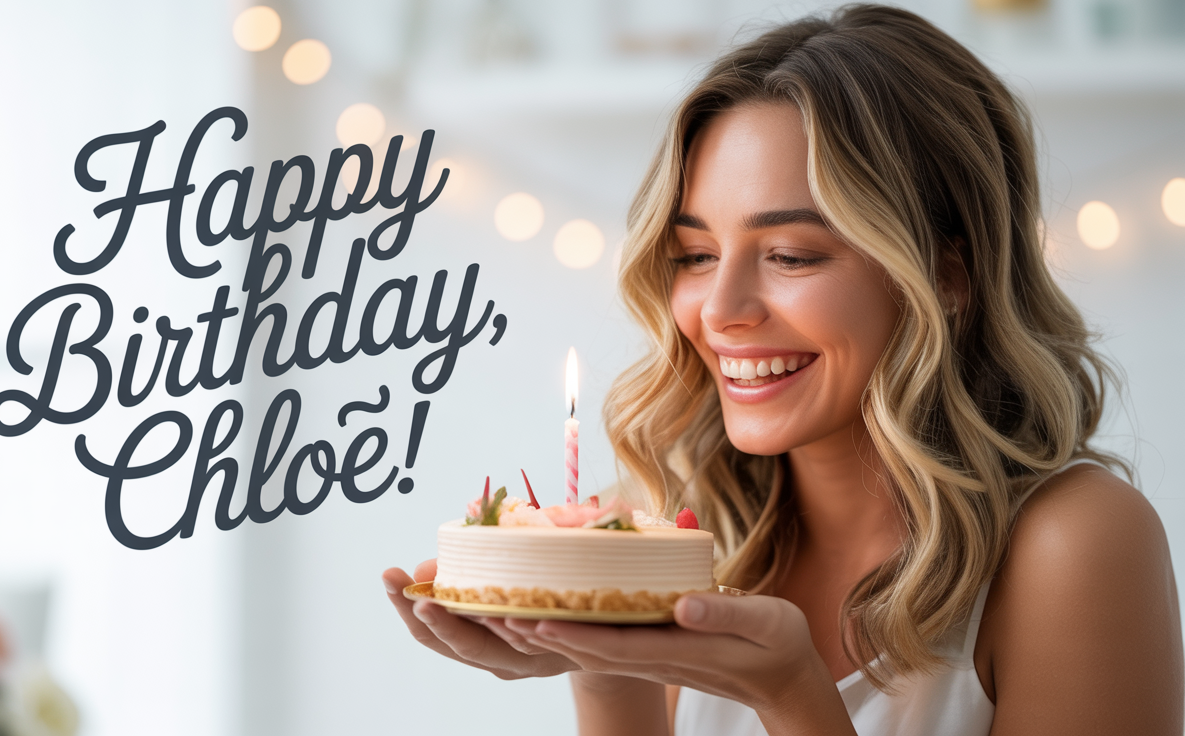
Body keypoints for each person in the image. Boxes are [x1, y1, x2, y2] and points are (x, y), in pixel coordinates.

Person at [382, 5, 1184, 734]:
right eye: (694, 255)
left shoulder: (1072, 545)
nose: (720, 308)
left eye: (790, 255)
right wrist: (605, 668)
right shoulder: (681, 528)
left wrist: (793, 695)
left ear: (948, 274)